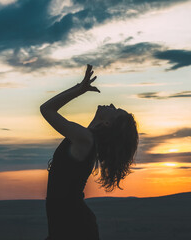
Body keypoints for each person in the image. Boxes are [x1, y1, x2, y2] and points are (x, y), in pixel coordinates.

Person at [40, 64, 139, 240]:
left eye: (115, 110)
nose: (111, 104)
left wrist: (80, 89)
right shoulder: (86, 139)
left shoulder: (85, 139)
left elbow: (46, 109)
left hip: (74, 228)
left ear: (108, 124)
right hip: (67, 227)